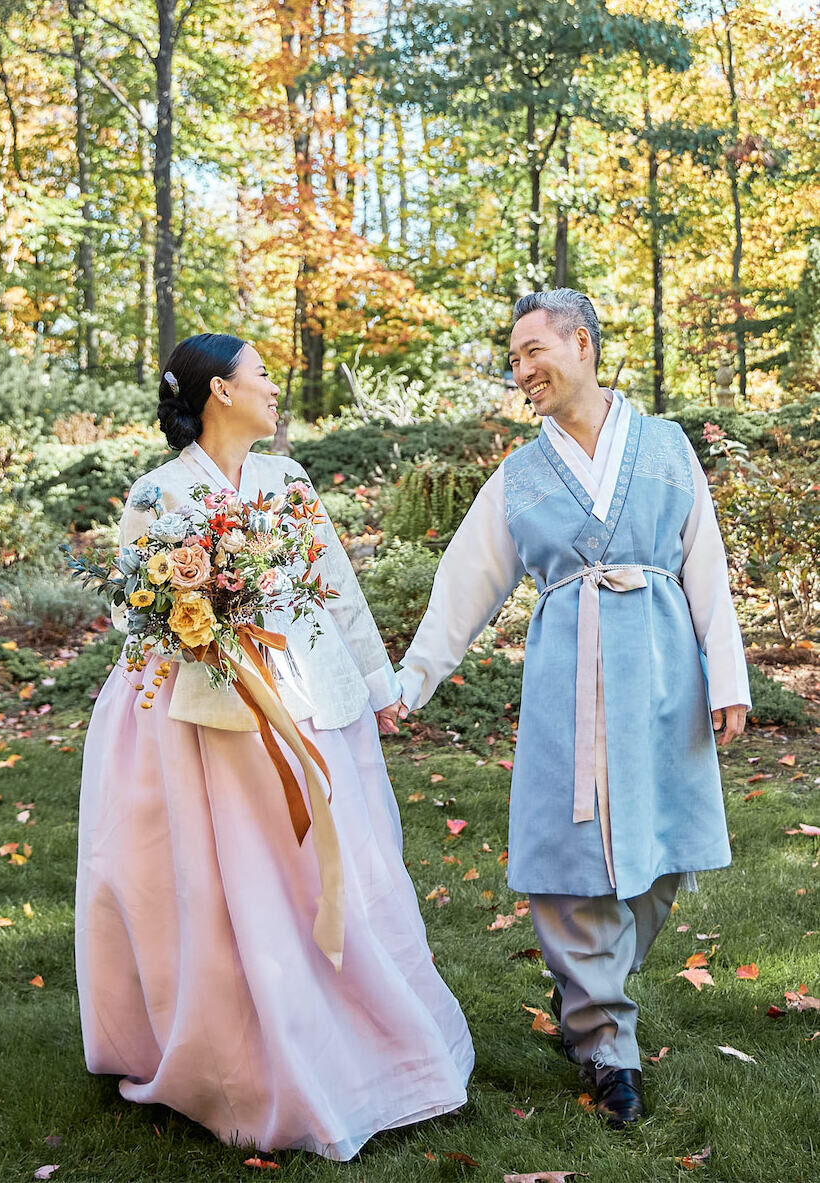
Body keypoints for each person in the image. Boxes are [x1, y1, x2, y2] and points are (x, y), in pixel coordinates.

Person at [75, 332, 473, 1161]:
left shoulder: (288, 481)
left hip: (308, 702)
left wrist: (376, 682)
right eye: (262, 375)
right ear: (220, 390)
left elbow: (339, 593)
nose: (275, 388)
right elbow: (131, 615)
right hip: (206, 719)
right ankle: (244, 1051)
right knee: (229, 887)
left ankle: (358, 1033)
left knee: (336, 874)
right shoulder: (156, 494)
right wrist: (199, 619)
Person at [396, 290, 750, 1129]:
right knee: (569, 868)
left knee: (660, 864)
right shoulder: (519, 477)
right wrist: (409, 683)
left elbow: (706, 564)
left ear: (581, 343)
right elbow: (463, 586)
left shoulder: (665, 448)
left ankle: (589, 1000)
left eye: (531, 352)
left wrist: (728, 675)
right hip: (568, 687)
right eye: (513, 359)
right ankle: (605, 1044)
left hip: (666, 682)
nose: (520, 372)